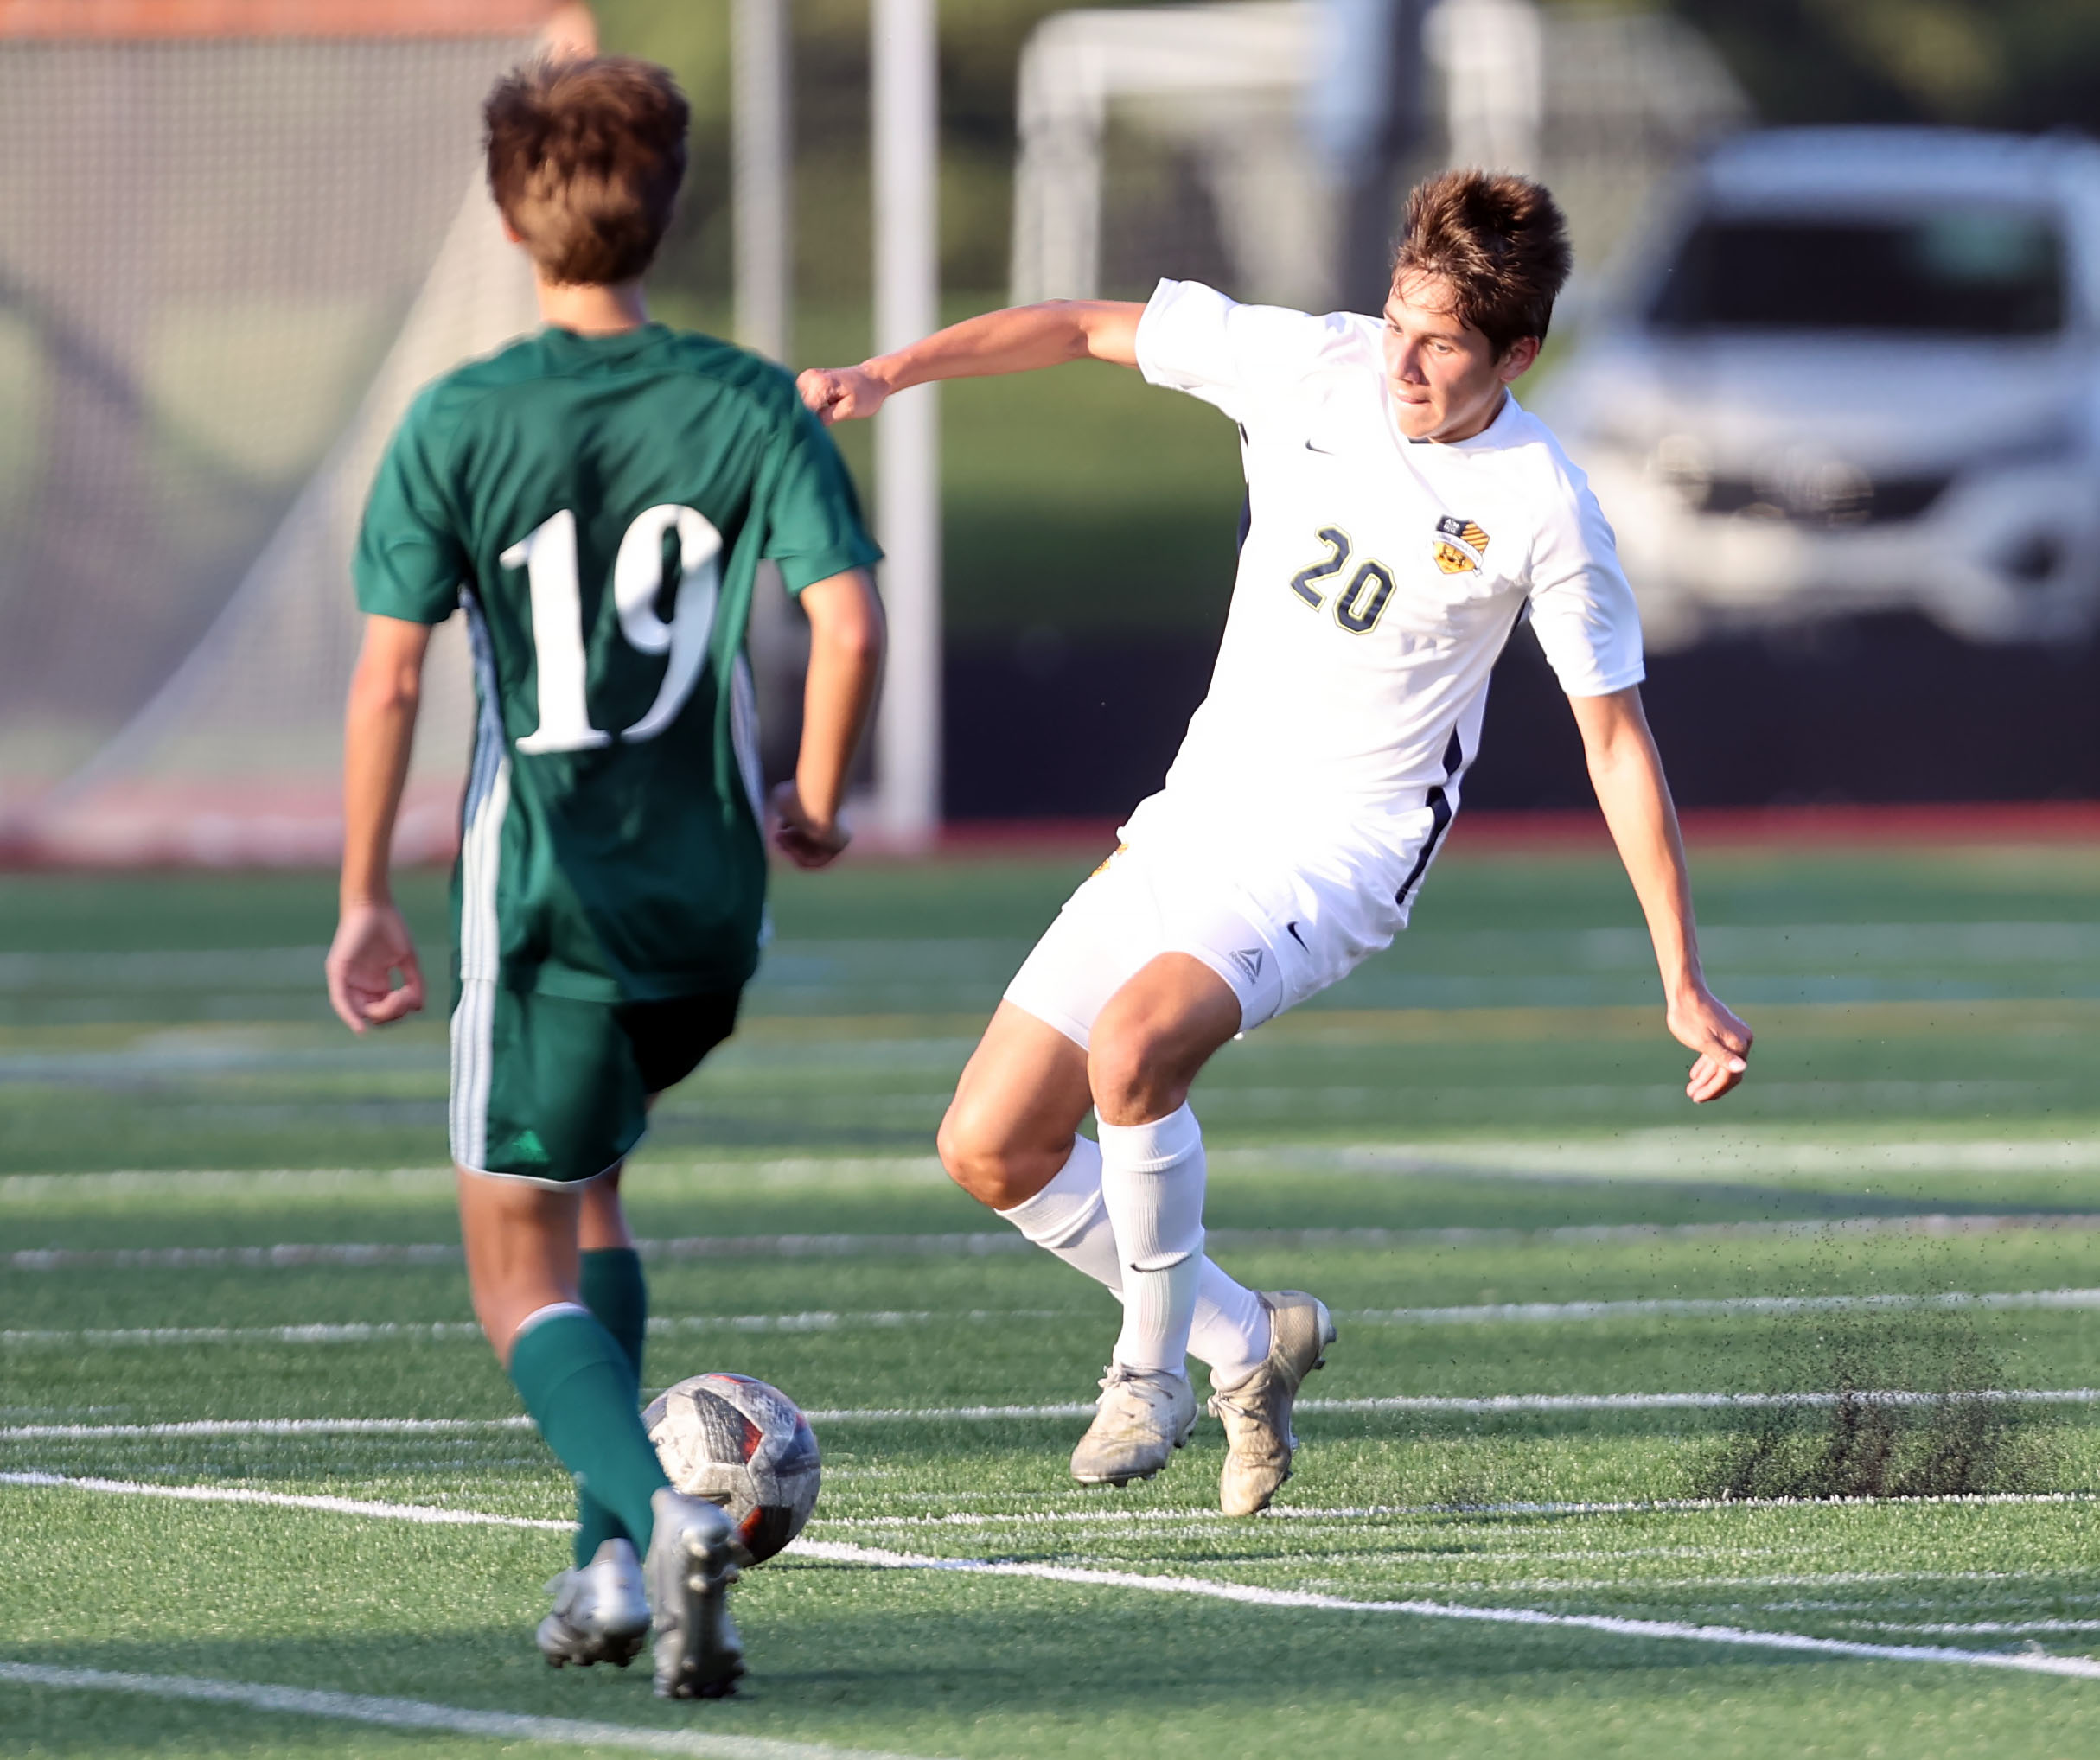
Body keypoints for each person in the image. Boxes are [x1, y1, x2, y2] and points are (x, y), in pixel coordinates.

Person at [798, 170, 1751, 1515]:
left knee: (1133, 1049)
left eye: (1439, 346)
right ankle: (1244, 1340)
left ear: (1517, 354)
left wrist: (1678, 978)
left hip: (1342, 854)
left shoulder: (1543, 503)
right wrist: (885, 375)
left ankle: (1147, 1375)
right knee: (991, 1149)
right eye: (1395, 323)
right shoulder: (1308, 366)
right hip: (1196, 818)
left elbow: (1614, 743)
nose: (1400, 364)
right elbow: (1079, 326)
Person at [326, 55, 884, 1698]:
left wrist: (363, 893)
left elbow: (387, 682)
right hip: (710, 908)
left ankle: (654, 1521)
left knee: (512, 1264)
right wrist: (816, 791)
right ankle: (608, 1575)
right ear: (671, 204)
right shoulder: (744, 399)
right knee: (595, 1190)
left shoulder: (460, 418)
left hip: (543, 900)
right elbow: (841, 618)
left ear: (512, 217)